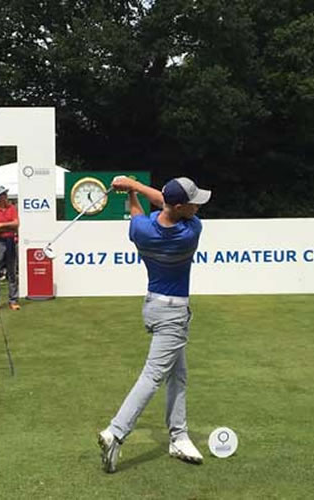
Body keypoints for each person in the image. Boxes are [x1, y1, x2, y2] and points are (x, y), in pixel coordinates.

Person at [97, 176, 212, 473]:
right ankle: (116, 432)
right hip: (173, 315)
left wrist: (131, 190)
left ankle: (178, 436)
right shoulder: (190, 231)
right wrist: (134, 187)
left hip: (153, 307)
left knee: (178, 375)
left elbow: (144, 211)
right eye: (193, 203)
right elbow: (161, 201)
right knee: (153, 375)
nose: (198, 207)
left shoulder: (141, 231)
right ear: (180, 207)